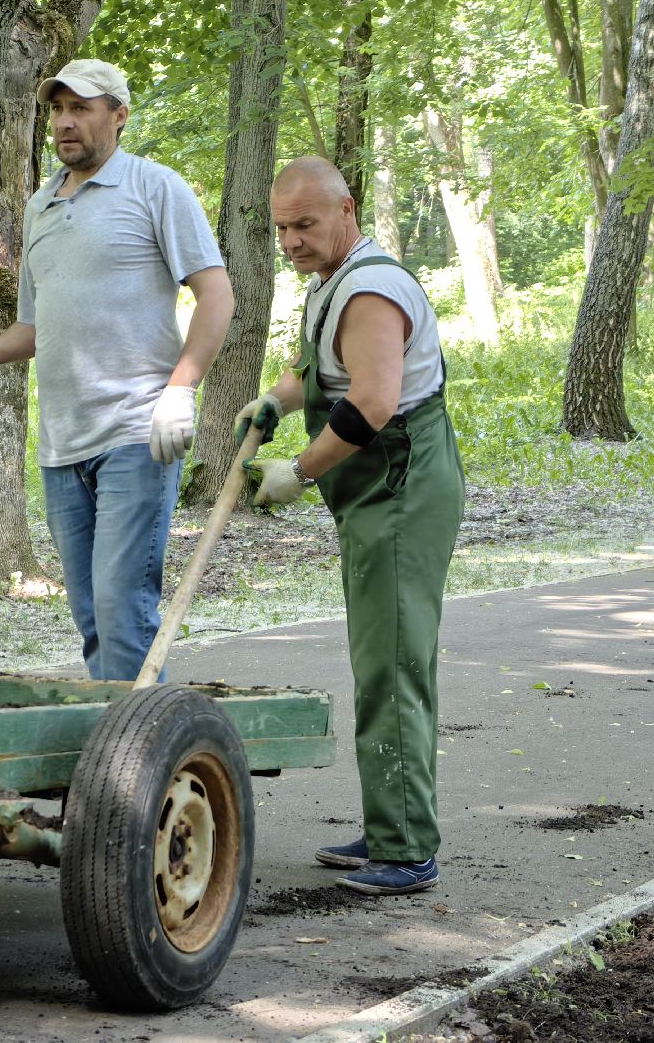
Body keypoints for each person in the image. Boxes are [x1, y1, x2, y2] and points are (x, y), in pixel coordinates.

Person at [0, 59, 234, 683]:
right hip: (62, 443)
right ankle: (123, 751)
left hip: (137, 431)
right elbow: (37, 325)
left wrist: (180, 391)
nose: (65, 123)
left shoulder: (157, 189)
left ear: (119, 117)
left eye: (82, 109)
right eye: (58, 109)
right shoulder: (39, 206)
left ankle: (128, 768)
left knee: (121, 612)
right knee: (92, 617)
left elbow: (216, 295)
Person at [238, 155, 465, 896]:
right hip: (374, 491)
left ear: (348, 209)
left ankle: (406, 851)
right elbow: (317, 368)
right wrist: (275, 401)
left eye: (305, 224)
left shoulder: (370, 290)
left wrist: (298, 472)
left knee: (390, 663)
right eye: (281, 228)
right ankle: (393, 821)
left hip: (399, 487)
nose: (293, 241)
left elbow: (369, 403)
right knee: (382, 657)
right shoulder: (333, 282)